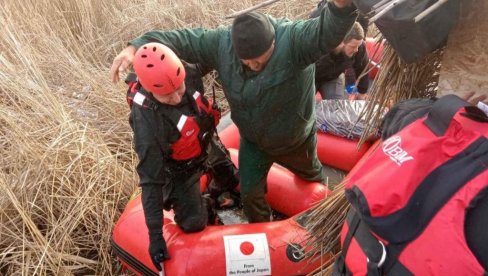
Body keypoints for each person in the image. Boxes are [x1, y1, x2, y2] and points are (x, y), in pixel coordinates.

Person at [110, 0, 358, 224]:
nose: (253, 66)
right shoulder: (222, 42)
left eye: (260, 61)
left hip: (295, 141)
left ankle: (320, 221)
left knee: (315, 178)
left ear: (273, 42)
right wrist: (135, 47)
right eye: (247, 62)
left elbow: (327, 31)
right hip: (253, 142)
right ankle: (264, 233)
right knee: (250, 194)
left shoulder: (293, 40)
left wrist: (341, 6)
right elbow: (183, 39)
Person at [126, 42, 239, 271]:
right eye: (167, 96)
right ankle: (204, 204)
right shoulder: (148, 124)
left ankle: (218, 190)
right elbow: (151, 181)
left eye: (179, 88)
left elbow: (216, 45)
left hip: (204, 141)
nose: (178, 98)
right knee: (193, 223)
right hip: (179, 166)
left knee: (232, 179)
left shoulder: (190, 71)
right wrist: (155, 236)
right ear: (150, 90)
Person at [313, 22, 369, 100]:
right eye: (353, 47)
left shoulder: (359, 48)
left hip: (333, 78)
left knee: (337, 106)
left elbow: (363, 68)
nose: (356, 50)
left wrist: (362, 92)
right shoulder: (320, 45)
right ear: (341, 42)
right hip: (311, 78)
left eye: (358, 46)